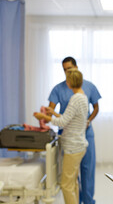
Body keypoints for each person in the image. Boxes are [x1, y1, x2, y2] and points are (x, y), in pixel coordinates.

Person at [48, 56, 101, 204]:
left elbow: (95, 108)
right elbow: (63, 116)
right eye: (65, 70)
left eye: (70, 69)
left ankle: (88, 201)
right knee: (72, 178)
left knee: (85, 172)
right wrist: (49, 114)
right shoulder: (61, 89)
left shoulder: (86, 89)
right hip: (70, 136)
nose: (67, 73)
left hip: (82, 135)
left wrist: (87, 121)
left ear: (76, 68)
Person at [34, 68, 88, 204]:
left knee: (65, 185)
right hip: (79, 145)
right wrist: (53, 112)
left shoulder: (75, 99)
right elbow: (70, 118)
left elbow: (63, 123)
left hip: (73, 147)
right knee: (73, 182)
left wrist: (44, 116)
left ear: (69, 83)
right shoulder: (83, 97)